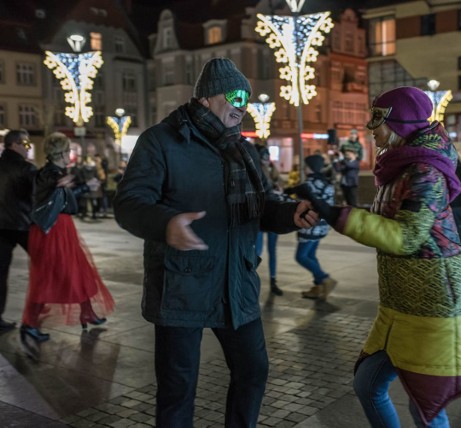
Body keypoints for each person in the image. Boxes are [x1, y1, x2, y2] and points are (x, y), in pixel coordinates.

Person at [112, 57, 318, 427]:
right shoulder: (161, 140)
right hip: (181, 284)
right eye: (236, 95)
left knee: (253, 371)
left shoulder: (243, 149)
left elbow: (262, 205)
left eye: (247, 99)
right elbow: (129, 204)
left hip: (235, 283)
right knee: (178, 388)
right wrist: (166, 223)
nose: (243, 106)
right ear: (207, 97)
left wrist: (290, 214)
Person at [291, 86, 461, 427]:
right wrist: (329, 209)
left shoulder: (425, 172)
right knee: (368, 384)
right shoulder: (400, 169)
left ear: (400, 123)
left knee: (426, 406)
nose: (369, 127)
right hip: (401, 303)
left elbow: (406, 237)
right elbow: (388, 219)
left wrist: (335, 214)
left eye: (377, 118)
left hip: (432, 304)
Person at [21, 132, 114, 345]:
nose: (70, 153)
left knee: (78, 271)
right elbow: (47, 195)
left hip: (61, 229)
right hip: (52, 231)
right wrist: (64, 185)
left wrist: (80, 188)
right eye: (68, 150)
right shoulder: (50, 174)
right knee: (48, 277)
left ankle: (87, 313)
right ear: (62, 153)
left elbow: (63, 200)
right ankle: (30, 324)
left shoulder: (56, 172)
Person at [0, 129, 37, 331]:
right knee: (44, 265)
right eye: (26, 144)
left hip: (1, 227)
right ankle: (36, 315)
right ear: (15, 144)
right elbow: (38, 195)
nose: (27, 149)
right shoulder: (26, 169)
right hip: (22, 224)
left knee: (0, 273)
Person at [294, 155, 337, 300]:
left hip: (309, 226)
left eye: (306, 166)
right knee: (310, 255)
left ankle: (324, 279)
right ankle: (319, 287)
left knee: (301, 257)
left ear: (311, 168)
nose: (303, 168)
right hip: (322, 226)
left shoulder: (308, 185)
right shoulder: (327, 184)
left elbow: (299, 205)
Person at [255, 143, 284, 296]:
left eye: (267, 158)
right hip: (262, 215)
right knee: (258, 250)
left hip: (272, 214)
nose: (266, 161)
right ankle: (249, 276)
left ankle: (273, 281)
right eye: (263, 158)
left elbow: (281, 185)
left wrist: (279, 188)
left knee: (271, 250)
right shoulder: (257, 170)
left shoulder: (273, 170)